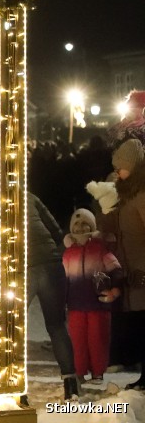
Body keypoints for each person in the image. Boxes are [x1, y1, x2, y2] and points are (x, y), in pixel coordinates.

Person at [0, 166, 80, 399]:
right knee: (56, 325)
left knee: (12, 329)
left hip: (18, 270)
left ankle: (17, 388)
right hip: (50, 264)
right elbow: (57, 232)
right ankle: (71, 385)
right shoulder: (28, 198)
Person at [95, 138, 145, 390]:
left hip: (142, 269)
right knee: (138, 322)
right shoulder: (128, 191)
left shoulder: (142, 194)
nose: (117, 172)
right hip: (132, 269)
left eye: (121, 167)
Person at [62, 208, 122, 384]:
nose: (80, 228)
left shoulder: (100, 249)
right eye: (77, 224)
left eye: (84, 224)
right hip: (75, 306)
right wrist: (62, 300)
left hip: (99, 306)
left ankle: (97, 372)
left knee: (98, 339)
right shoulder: (68, 254)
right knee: (78, 341)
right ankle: (79, 372)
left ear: (92, 226)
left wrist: (115, 290)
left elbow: (116, 270)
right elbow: (63, 279)